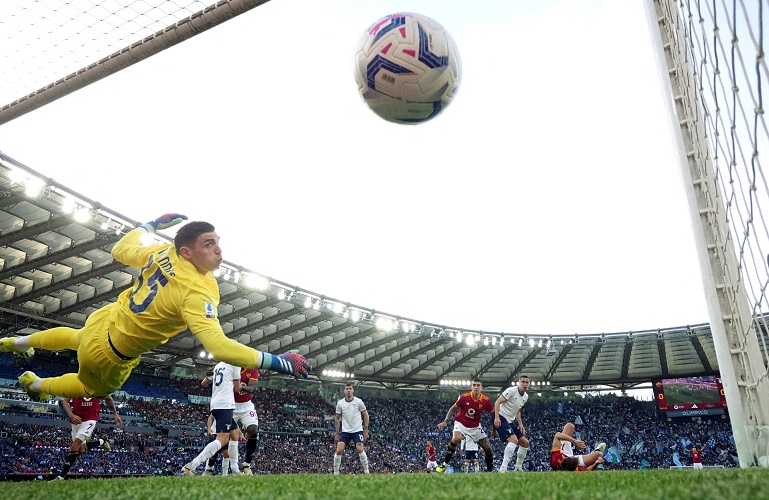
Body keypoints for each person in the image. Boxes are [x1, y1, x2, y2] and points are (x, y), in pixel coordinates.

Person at [0, 215, 311, 401]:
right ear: (187, 252)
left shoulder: (164, 251)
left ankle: (16, 342)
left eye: (217, 241)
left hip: (107, 319)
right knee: (90, 389)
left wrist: (150, 224)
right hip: (113, 354)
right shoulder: (196, 290)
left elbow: (120, 249)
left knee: (76, 336)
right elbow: (217, 347)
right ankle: (36, 384)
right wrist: (279, 363)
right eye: (209, 244)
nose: (219, 249)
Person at [183, 361, 242, 476]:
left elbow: (204, 383)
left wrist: (209, 375)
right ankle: (192, 465)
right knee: (223, 440)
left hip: (215, 404)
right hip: (225, 405)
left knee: (235, 435)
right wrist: (243, 386)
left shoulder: (219, 365)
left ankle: (235, 470)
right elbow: (236, 388)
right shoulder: (235, 364)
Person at [435, 378, 496, 473]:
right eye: (474, 385)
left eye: (478, 385)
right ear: (471, 387)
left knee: (488, 449)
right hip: (461, 423)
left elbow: (493, 414)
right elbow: (453, 409)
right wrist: (445, 421)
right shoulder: (464, 397)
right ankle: (444, 465)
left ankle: (489, 472)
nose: (476, 387)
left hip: (475, 427)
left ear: (481, 388)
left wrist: (494, 430)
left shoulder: (485, 400)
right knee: (456, 438)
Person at [56, 395, 122, 480]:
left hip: (90, 419)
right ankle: (102, 441)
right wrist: (71, 415)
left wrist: (115, 414)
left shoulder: (98, 387)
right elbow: (65, 401)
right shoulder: (76, 385)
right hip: (76, 419)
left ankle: (61, 477)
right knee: (81, 449)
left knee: (75, 445)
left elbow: (108, 399)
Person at [494, 375, 531, 472]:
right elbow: (497, 402)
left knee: (525, 443)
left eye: (527, 382)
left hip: (510, 420)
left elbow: (518, 410)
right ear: (519, 382)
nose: (525, 384)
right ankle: (503, 469)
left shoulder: (525, 397)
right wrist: (496, 417)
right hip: (501, 417)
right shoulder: (511, 391)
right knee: (514, 440)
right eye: (523, 382)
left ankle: (518, 468)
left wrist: (520, 424)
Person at [333, 382, 370, 474]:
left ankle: (366, 471)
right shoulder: (340, 403)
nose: (348, 390)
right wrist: (337, 434)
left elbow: (366, 415)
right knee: (339, 450)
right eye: (347, 389)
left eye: (350, 388)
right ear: (344, 391)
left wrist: (365, 430)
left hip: (357, 430)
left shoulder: (358, 402)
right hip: (346, 431)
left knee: (360, 449)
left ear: (353, 390)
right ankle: (335, 473)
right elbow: (337, 418)